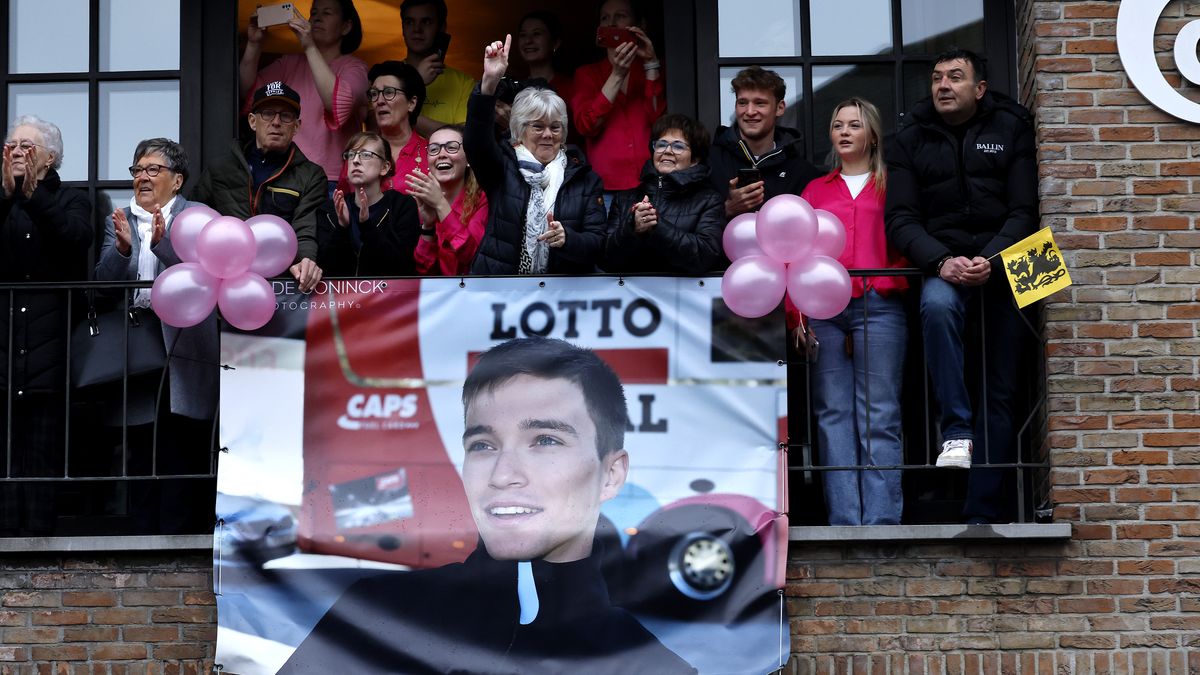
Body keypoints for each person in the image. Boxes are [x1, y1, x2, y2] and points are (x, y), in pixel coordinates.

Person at [277, 337, 695, 674]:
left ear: (611, 475)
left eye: (546, 440)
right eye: (483, 444)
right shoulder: (374, 614)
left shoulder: (650, 665)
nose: (502, 473)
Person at [885, 48, 1038, 525]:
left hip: (1012, 260)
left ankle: (983, 509)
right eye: (936, 78)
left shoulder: (1014, 127)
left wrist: (989, 258)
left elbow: (1026, 210)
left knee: (1004, 385)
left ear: (980, 88)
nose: (943, 85)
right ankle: (955, 431)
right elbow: (900, 220)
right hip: (945, 264)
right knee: (935, 308)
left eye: (955, 77)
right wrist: (943, 261)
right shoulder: (909, 139)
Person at [94, 138, 218, 534]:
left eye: (153, 170)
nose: (143, 178)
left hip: (183, 343)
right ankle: (142, 537)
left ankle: (181, 537)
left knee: (181, 442)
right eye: (137, 170)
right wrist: (124, 251)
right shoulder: (121, 219)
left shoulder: (199, 216)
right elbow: (101, 285)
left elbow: (204, 277)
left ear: (177, 180)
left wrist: (163, 247)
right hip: (136, 342)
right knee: (139, 442)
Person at [798, 99, 908, 526]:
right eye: (837, 125)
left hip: (880, 306)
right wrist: (798, 316)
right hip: (825, 310)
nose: (844, 132)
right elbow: (796, 253)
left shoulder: (892, 184)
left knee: (879, 412)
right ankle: (845, 521)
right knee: (832, 414)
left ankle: (881, 521)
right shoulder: (816, 190)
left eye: (854, 125)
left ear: (872, 135)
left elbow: (908, 234)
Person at [0, 115, 91, 536]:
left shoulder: (71, 199)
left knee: (40, 454)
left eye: (28, 146)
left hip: (49, 347)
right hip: (4, 344)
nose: (18, 151)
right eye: (12, 145)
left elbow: (75, 240)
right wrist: (6, 197)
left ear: (50, 158)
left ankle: (36, 549)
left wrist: (33, 197)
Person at [466, 36, 606, 275]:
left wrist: (568, 239)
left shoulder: (584, 179)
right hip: (502, 292)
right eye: (538, 127)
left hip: (561, 297)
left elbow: (598, 244)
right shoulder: (502, 167)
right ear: (519, 131)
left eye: (555, 126)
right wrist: (489, 84)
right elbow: (475, 141)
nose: (548, 135)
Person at [193, 81, 325, 292]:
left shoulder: (311, 175)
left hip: (283, 284)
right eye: (268, 113)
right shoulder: (220, 169)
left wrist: (306, 260)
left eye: (286, 116)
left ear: (297, 126)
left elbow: (305, 226)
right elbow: (195, 221)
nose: (276, 122)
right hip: (223, 283)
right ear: (253, 122)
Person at [240, 0, 368, 184]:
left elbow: (337, 103)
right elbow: (246, 92)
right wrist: (254, 44)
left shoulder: (355, 68)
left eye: (327, 13)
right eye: (314, 12)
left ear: (346, 26)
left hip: (330, 178)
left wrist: (309, 46)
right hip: (284, 173)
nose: (317, 17)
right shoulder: (289, 63)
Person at [602, 113, 723, 274]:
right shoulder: (624, 200)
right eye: (661, 144)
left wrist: (657, 226)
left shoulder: (710, 200)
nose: (667, 151)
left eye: (678, 146)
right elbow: (606, 261)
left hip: (685, 297)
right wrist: (632, 228)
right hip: (634, 298)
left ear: (695, 158)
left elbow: (704, 256)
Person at [573, 0, 666, 197]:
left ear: (639, 25)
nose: (611, 23)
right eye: (605, 18)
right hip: (605, 187)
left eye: (620, 16)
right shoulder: (587, 74)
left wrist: (651, 63)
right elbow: (586, 126)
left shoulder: (653, 68)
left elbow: (660, 123)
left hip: (650, 181)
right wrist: (617, 74)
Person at [708, 66, 822, 220]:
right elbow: (690, 227)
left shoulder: (802, 172)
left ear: (780, 108)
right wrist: (727, 209)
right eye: (742, 103)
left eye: (760, 103)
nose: (750, 111)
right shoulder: (709, 161)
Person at [318, 132, 421, 276]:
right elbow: (325, 270)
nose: (355, 161)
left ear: (384, 167)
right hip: (342, 298)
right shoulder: (330, 209)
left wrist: (367, 225)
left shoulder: (402, 206)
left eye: (365, 155)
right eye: (351, 155)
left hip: (388, 297)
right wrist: (342, 227)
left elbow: (401, 266)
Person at [405, 125, 489, 275]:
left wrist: (440, 205)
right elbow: (424, 270)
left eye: (452, 147)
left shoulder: (483, 199)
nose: (441, 154)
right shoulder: (422, 199)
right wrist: (428, 227)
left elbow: (471, 257)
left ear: (468, 158)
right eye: (434, 149)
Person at [336, 60, 427, 195]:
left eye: (389, 92)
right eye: (374, 94)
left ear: (411, 103)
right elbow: (342, 202)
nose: (379, 101)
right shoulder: (356, 153)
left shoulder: (432, 153)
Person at [401, 0, 476, 136]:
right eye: (409, 22)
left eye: (426, 22)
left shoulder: (465, 83)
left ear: (442, 27)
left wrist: (403, 114)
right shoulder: (384, 76)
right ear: (403, 28)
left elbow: (466, 137)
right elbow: (377, 132)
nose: (417, 29)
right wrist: (417, 82)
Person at [515, 11, 574, 106]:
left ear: (555, 43)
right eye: (523, 35)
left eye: (536, 33)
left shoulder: (571, 88)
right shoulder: (514, 89)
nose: (528, 40)